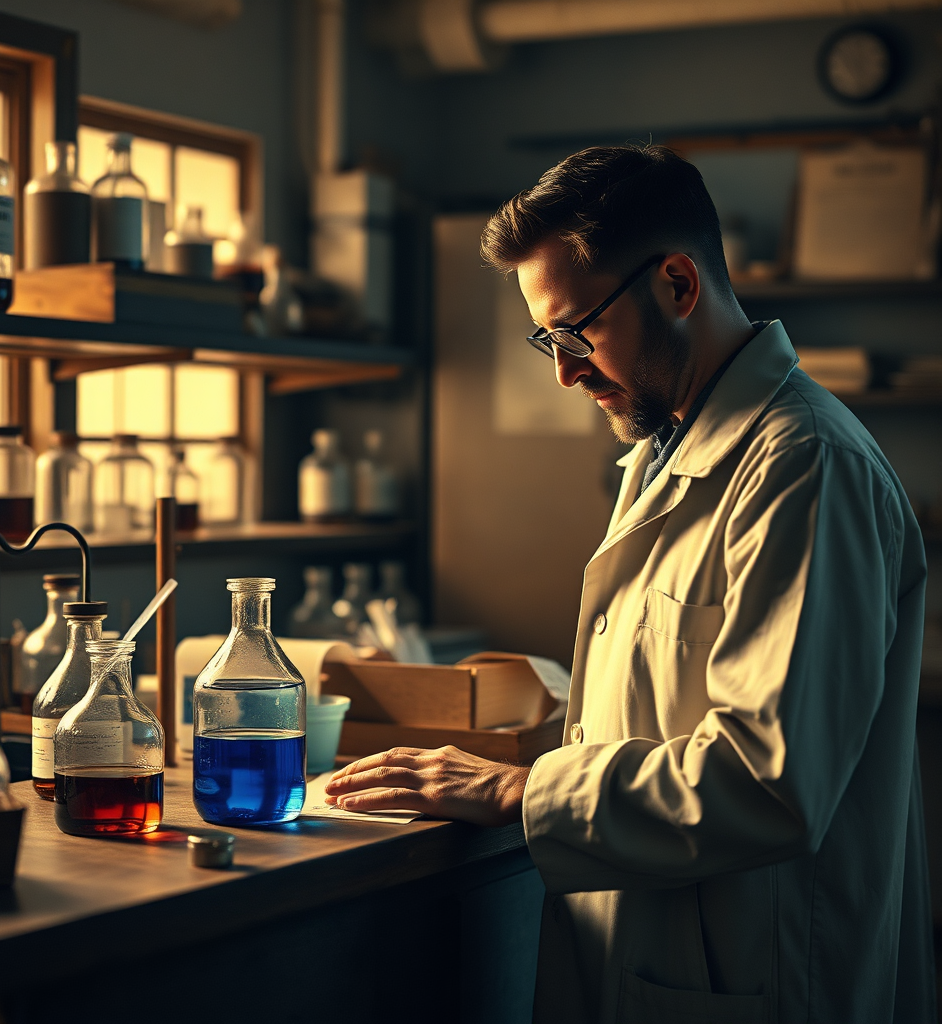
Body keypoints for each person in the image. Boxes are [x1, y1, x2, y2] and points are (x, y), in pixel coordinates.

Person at [324, 145, 935, 1023]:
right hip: (655, 954)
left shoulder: (806, 466)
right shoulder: (665, 451)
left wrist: (516, 790)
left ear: (678, 284)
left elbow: (768, 783)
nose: (564, 371)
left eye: (577, 333)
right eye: (547, 340)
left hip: (761, 977)